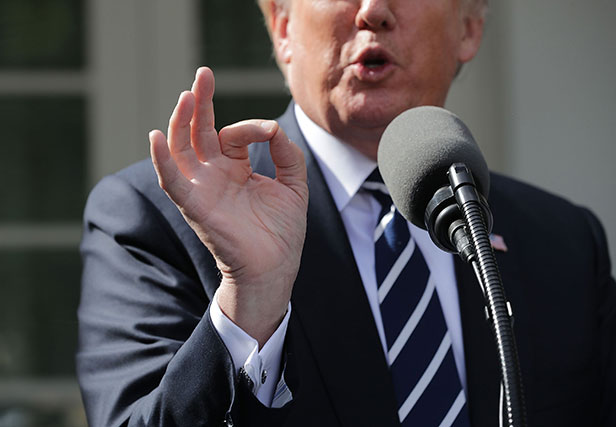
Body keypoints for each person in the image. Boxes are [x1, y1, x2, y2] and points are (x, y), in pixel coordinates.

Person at [77, 0, 616, 426]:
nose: (374, 10)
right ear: (282, 25)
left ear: (469, 29)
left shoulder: (564, 243)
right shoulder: (159, 216)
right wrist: (251, 303)